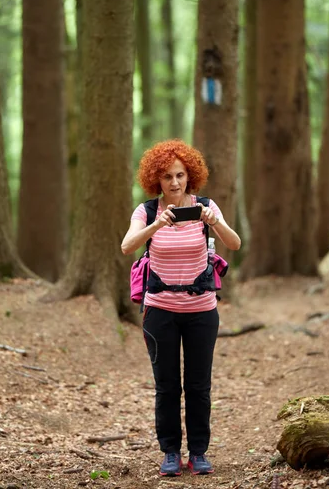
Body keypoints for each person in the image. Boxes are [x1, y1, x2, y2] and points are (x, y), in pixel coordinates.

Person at [121, 139, 241, 477]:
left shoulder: (205, 207)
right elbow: (127, 245)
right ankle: (171, 452)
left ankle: (199, 451)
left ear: (191, 176)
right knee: (167, 385)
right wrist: (158, 225)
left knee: (199, 385)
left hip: (202, 311)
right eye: (167, 177)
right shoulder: (146, 211)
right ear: (155, 180)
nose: (174, 183)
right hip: (160, 311)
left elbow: (234, 243)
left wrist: (213, 220)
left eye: (180, 175)